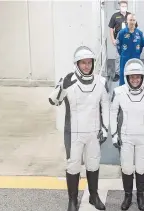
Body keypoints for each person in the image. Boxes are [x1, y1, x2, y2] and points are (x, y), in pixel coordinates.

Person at [48, 46, 109, 211]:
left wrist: (105, 128)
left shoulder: (101, 82)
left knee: (93, 164)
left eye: (89, 63)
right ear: (77, 64)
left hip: (93, 131)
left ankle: (93, 196)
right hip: (73, 132)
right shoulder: (68, 80)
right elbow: (53, 101)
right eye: (83, 63)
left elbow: (105, 106)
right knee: (73, 165)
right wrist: (62, 87)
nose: (87, 66)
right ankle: (72, 200)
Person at [110, 58, 144, 210]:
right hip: (125, 136)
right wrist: (114, 134)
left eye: (138, 76)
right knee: (126, 168)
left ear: (142, 77)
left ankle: (140, 196)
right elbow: (112, 113)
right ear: (127, 77)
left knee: (141, 167)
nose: (135, 79)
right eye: (132, 77)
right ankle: (127, 196)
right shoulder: (118, 92)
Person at [108, 0, 137, 82]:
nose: (123, 7)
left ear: (127, 6)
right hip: (119, 38)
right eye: (122, 6)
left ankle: (128, 72)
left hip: (129, 38)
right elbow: (111, 28)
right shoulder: (115, 16)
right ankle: (117, 73)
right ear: (119, 6)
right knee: (118, 57)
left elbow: (134, 26)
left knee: (129, 56)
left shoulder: (130, 15)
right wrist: (113, 39)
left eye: (124, 6)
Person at [116, 13, 144, 86]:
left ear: (135, 21)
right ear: (127, 21)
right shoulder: (122, 33)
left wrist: (137, 53)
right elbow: (118, 45)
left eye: (133, 20)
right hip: (124, 58)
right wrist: (123, 54)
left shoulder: (139, 33)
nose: (132, 22)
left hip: (136, 58)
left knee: (135, 74)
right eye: (130, 20)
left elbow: (142, 45)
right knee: (124, 74)